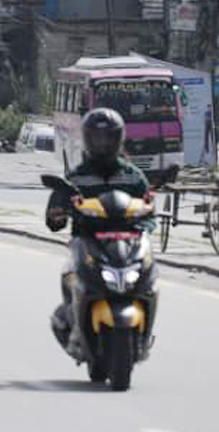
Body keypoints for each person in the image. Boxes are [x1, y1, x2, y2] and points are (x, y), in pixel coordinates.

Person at [47, 108, 149, 346]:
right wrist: (57, 215)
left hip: (127, 243)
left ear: (118, 139)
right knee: (68, 277)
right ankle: (73, 324)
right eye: (97, 138)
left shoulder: (133, 176)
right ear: (87, 139)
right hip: (88, 243)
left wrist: (148, 220)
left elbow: (148, 206)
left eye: (108, 138)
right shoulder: (76, 177)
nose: (102, 144)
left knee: (150, 276)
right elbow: (56, 211)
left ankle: (144, 329)